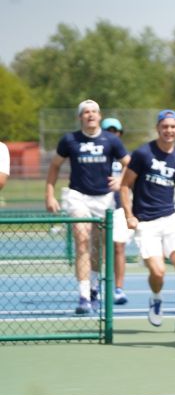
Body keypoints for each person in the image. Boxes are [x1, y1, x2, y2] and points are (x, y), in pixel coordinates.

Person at [45, 100, 130, 314]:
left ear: (99, 116)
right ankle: (83, 297)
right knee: (82, 240)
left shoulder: (111, 140)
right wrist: (49, 195)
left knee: (98, 248)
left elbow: (130, 163)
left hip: (104, 199)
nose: (90, 115)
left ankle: (93, 289)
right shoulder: (69, 140)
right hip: (78, 196)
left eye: (94, 112)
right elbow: (55, 166)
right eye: (86, 112)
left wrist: (120, 181)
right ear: (80, 117)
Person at [120, 110, 175, 331]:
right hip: (146, 223)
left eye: (173, 127)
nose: (169, 130)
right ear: (158, 128)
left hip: (170, 219)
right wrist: (129, 215)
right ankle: (156, 298)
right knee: (158, 272)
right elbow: (124, 185)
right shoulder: (143, 153)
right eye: (165, 126)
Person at [101, 117, 132, 305]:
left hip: (119, 207)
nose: (113, 135)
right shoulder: (96, 154)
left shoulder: (125, 158)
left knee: (119, 247)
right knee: (99, 249)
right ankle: (97, 286)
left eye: (116, 132)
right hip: (99, 206)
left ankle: (118, 288)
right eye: (109, 131)